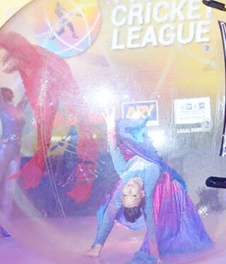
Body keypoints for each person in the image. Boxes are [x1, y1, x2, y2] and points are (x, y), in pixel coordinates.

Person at [87, 109, 212, 263]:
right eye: (133, 195)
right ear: (142, 194)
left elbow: (113, 149)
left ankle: (97, 246)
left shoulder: (124, 174)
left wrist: (110, 127)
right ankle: (98, 246)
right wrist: (155, 256)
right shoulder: (150, 180)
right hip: (148, 152)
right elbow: (151, 224)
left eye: (126, 194)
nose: (129, 189)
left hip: (135, 148)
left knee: (111, 208)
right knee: (130, 129)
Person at [0, 64, 28, 238]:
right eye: (6, 92)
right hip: (4, 149)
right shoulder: (1, 106)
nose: (10, 93)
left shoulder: (19, 108)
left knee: (10, 190)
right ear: (1, 96)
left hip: (16, 152)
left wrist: (29, 72)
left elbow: (27, 93)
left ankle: (5, 225)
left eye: (10, 92)